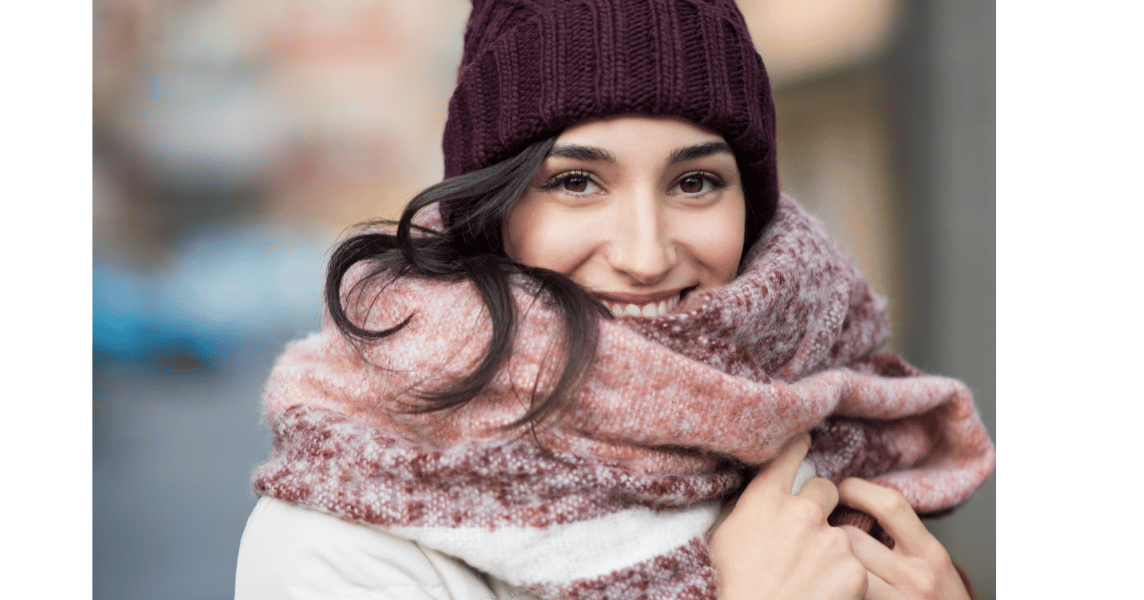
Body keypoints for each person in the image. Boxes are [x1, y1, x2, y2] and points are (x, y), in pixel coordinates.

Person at [235, 1, 994, 599]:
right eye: (576, 182)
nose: (644, 253)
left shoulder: (831, 431)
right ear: (491, 209)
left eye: (694, 182)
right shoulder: (346, 527)